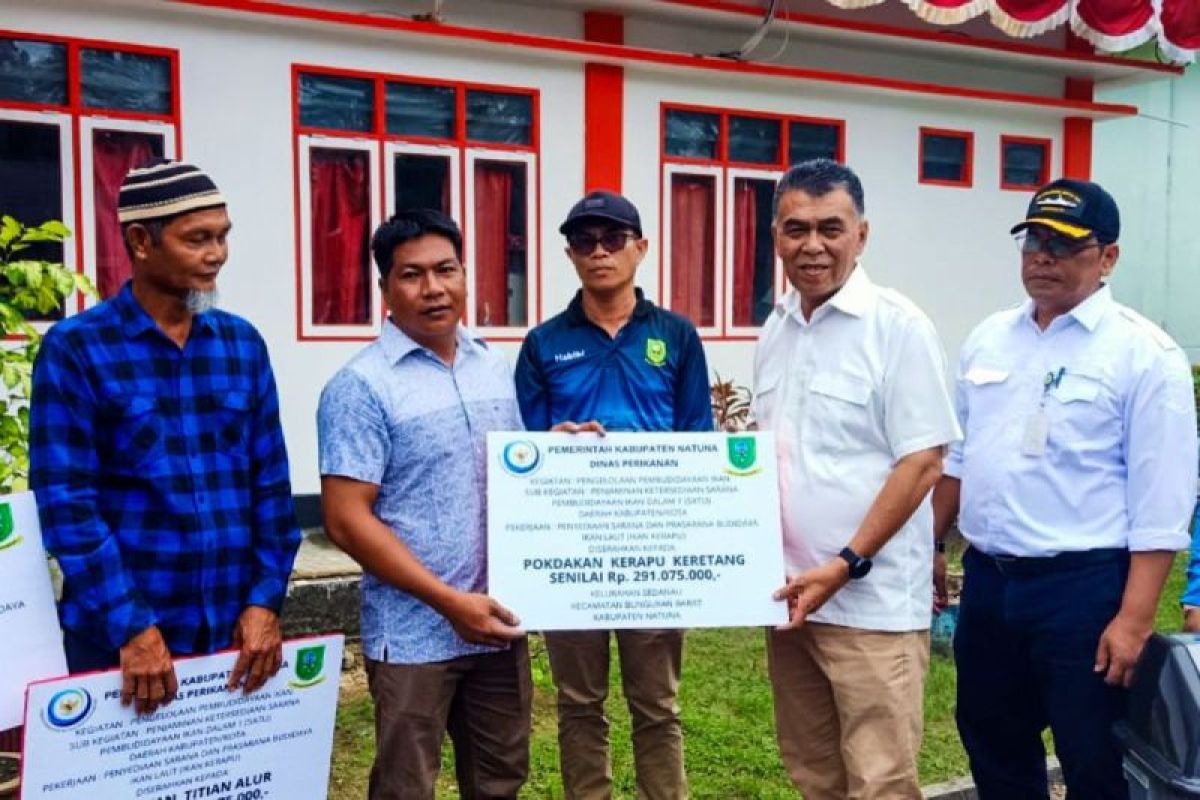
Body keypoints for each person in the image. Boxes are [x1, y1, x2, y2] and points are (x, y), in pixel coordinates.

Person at [933, 178, 1198, 798]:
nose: (1042, 256)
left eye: (1064, 244)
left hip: (1084, 591)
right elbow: (959, 458)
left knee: (1094, 755)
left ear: (1108, 257)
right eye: (1033, 241)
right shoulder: (989, 339)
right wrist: (931, 549)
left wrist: (1133, 621)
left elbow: (1162, 502)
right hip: (991, 583)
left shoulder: (1144, 355)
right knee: (992, 740)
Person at [29, 159, 302, 715]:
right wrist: (132, 627)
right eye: (197, 238)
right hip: (120, 646)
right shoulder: (78, 349)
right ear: (140, 241)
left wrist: (265, 601)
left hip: (232, 639)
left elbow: (271, 489)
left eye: (223, 236)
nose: (217, 254)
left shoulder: (242, 346)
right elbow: (66, 505)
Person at [756, 159, 960, 799]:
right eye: (796, 229)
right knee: (814, 773)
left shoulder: (899, 328)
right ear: (775, 237)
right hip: (792, 603)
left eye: (830, 228)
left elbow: (923, 461)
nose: (812, 245)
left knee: (879, 781)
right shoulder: (776, 329)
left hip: (870, 610)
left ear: (861, 235)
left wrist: (845, 562)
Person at [318, 209, 530, 800]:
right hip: (414, 633)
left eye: (447, 270)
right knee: (406, 787)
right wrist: (447, 602)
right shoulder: (360, 387)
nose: (433, 289)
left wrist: (554, 452)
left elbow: (512, 469)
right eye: (412, 275)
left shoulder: (495, 366)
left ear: (467, 275)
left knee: (501, 780)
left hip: (496, 623)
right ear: (385, 288)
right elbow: (344, 518)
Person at [514, 190, 712, 799]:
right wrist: (551, 442)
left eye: (612, 239)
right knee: (579, 705)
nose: (598, 252)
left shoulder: (676, 337)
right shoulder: (543, 343)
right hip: (573, 555)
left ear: (640, 248)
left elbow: (697, 441)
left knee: (657, 706)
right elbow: (523, 451)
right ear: (570, 255)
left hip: (652, 550)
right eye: (583, 242)